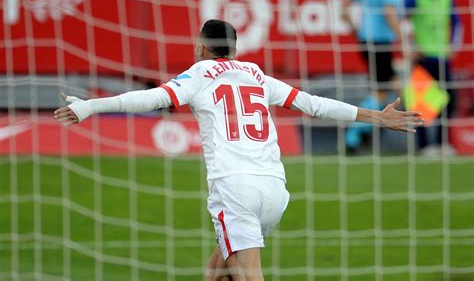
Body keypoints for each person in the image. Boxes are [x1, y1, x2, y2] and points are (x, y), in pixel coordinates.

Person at [53, 19, 423, 280]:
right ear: (234, 49)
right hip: (275, 192)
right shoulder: (257, 74)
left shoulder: (197, 75)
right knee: (216, 271)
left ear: (200, 47)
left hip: (235, 190)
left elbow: (148, 99)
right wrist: (376, 116)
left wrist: (89, 106)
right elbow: (313, 104)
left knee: (248, 275)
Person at [342, 0, 404, 152]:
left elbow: (344, 6)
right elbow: (390, 13)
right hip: (381, 43)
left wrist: (355, 28)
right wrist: (402, 39)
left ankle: (366, 132)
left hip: (365, 39)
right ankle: (353, 136)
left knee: (389, 86)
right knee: (381, 91)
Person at [404, 0, 463, 155]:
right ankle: (424, 146)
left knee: (448, 101)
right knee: (421, 102)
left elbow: (456, 22)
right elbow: (400, 19)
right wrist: (411, 47)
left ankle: (442, 143)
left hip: (442, 57)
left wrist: (453, 47)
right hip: (423, 57)